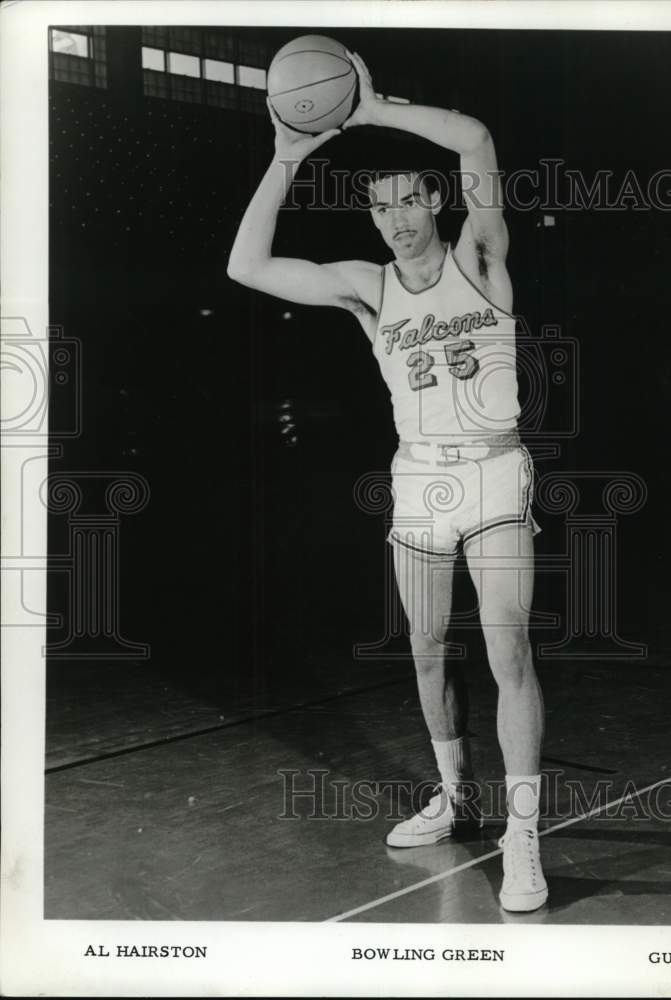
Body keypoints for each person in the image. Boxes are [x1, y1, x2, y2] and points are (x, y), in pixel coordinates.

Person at [227, 51, 548, 913]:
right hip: (420, 486)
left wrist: (367, 110)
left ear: (435, 202)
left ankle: (522, 837)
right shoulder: (367, 289)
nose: (397, 217)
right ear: (367, 214)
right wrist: (288, 157)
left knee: (507, 646)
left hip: (492, 473)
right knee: (425, 649)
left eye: (411, 199)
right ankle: (457, 796)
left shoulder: (480, 257)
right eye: (381, 204)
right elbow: (246, 267)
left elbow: (474, 138)